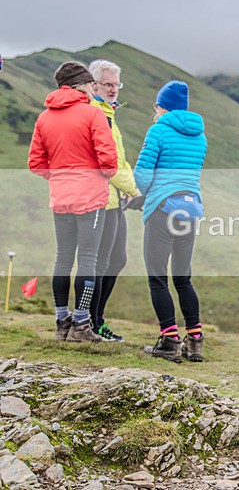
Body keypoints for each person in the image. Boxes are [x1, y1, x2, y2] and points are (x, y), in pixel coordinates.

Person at [28, 61, 117, 342]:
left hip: (60, 197)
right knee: (88, 258)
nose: (94, 90)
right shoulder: (93, 114)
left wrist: (59, 178)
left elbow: (36, 163)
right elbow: (108, 161)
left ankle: (61, 321)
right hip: (90, 197)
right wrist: (102, 174)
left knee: (63, 257)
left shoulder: (44, 118)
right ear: (81, 85)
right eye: (92, 85)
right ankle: (81, 324)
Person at [135, 81, 207, 363]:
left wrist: (149, 193)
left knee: (157, 277)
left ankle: (170, 341)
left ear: (161, 106)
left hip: (163, 209)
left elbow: (142, 175)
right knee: (183, 277)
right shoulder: (200, 135)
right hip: (190, 209)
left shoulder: (158, 130)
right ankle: (196, 341)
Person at [87, 59, 143, 342]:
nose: (113, 89)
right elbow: (108, 161)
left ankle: (96, 319)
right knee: (100, 262)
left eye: (116, 84)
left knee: (116, 259)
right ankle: (91, 322)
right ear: (94, 85)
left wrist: (126, 188)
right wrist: (133, 190)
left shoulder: (109, 113)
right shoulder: (97, 114)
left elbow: (119, 158)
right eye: (107, 84)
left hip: (114, 197)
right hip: (101, 199)